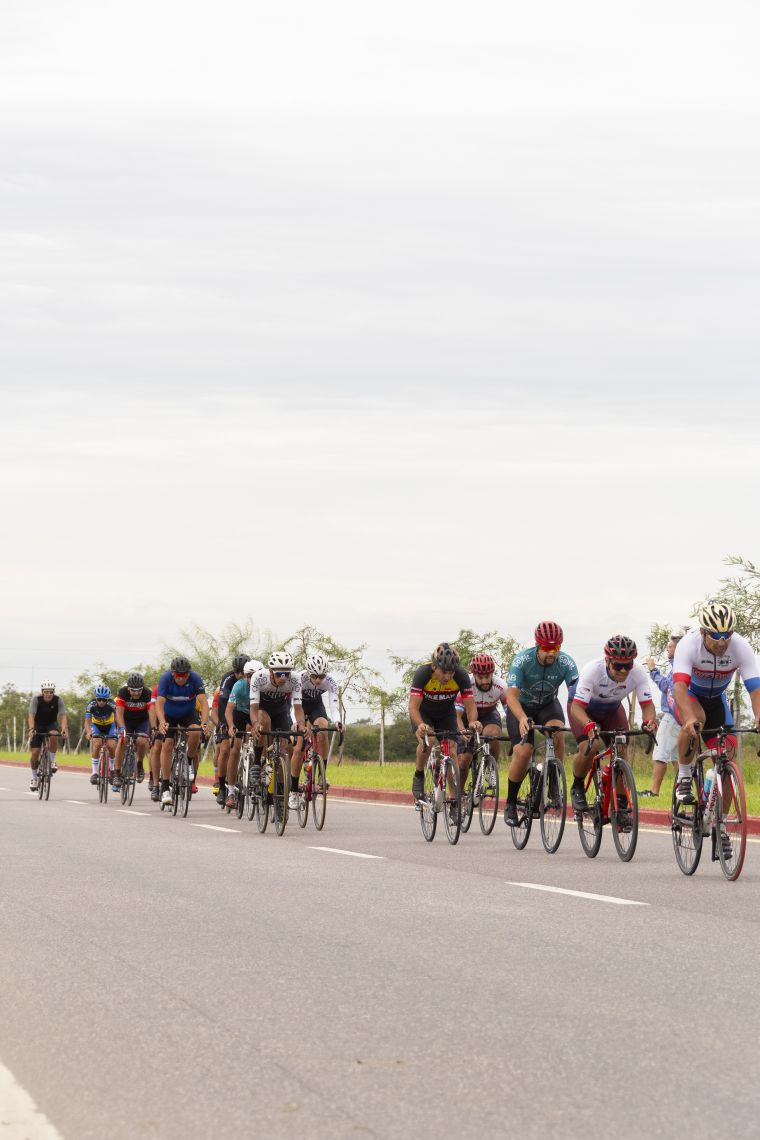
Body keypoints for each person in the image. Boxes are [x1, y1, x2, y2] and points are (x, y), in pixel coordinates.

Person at [672, 602, 760, 804]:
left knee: (727, 762)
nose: (722, 642)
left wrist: (758, 715)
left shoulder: (740, 646)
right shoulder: (688, 644)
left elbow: (755, 688)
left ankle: (720, 827)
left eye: (727, 635)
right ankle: (684, 776)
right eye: (716, 636)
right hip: (688, 695)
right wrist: (688, 719)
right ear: (703, 632)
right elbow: (680, 687)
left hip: (716, 700)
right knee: (697, 719)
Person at [568, 635, 658, 814]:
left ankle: (620, 800)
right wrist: (587, 724)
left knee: (621, 747)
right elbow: (577, 707)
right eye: (618, 665)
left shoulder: (638, 672)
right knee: (590, 746)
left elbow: (647, 706)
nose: (623, 671)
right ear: (607, 660)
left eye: (628, 665)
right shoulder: (593, 670)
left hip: (611, 709)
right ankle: (577, 786)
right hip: (583, 709)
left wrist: (649, 722)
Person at [503, 621, 578, 827]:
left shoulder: (566, 663)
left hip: (547, 705)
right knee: (524, 751)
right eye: (546, 648)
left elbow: (578, 694)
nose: (551, 653)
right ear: (537, 645)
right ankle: (510, 803)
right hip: (521, 707)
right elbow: (511, 696)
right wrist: (521, 718)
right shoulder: (523, 661)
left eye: (556, 648)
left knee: (558, 733)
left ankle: (554, 782)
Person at [408, 643, 481, 802]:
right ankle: (419, 774)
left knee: (451, 750)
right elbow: (413, 707)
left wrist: (473, 721)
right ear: (434, 666)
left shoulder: (460, 676)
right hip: (423, 713)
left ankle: (454, 798)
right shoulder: (422, 674)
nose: (448, 677)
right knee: (429, 740)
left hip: (446, 713)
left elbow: (470, 705)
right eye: (444, 672)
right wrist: (420, 724)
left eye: (451, 672)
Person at [249, 651, 307, 810]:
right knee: (262, 722)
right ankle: (256, 764)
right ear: (270, 671)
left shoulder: (295, 679)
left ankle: (280, 792)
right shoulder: (259, 677)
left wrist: (301, 724)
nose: (283, 678)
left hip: (281, 710)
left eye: (286, 674)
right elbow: (253, 708)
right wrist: (254, 724)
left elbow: (298, 708)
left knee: (281, 751)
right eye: (279, 674)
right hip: (262, 708)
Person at [155, 656, 209, 807]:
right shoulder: (165, 678)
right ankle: (165, 787)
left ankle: (189, 762)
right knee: (167, 744)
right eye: (178, 675)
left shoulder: (195, 678)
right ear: (173, 674)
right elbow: (159, 704)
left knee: (196, 732)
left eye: (185, 675)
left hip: (187, 713)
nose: (182, 678)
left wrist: (204, 723)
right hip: (169, 714)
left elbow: (204, 703)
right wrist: (162, 722)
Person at [291, 652, 343, 800]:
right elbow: (292, 706)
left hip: (315, 707)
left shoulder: (331, 681)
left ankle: (321, 774)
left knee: (323, 728)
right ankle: (293, 790)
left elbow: (333, 705)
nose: (318, 680)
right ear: (308, 673)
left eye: (321, 676)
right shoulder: (299, 679)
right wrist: (295, 723)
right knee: (299, 745)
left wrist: (338, 721)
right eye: (314, 676)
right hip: (299, 707)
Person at [640, 633, 684, 797]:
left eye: (670, 646)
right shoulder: (680, 666)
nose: (668, 648)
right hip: (679, 716)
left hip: (672, 715)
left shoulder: (678, 668)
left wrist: (653, 670)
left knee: (661, 753)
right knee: (676, 756)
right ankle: (683, 789)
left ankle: (654, 791)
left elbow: (667, 687)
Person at [224, 659, 264, 808]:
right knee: (235, 749)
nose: (252, 679)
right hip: (240, 714)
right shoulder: (239, 686)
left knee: (262, 736)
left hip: (257, 714)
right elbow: (229, 710)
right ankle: (231, 791)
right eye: (249, 676)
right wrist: (231, 726)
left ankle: (260, 772)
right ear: (245, 676)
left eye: (256, 675)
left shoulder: (264, 686)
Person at [214, 654, 250, 800]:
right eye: (237, 671)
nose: (240, 675)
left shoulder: (253, 677)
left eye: (243, 671)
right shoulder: (228, 679)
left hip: (247, 712)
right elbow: (224, 704)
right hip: (230, 711)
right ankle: (222, 787)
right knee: (225, 749)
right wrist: (224, 724)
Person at [113, 672, 155, 791]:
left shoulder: (147, 693)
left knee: (142, 741)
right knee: (123, 740)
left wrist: (153, 728)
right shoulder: (122, 692)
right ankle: (117, 773)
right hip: (126, 721)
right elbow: (119, 714)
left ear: (143, 688)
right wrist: (122, 729)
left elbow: (152, 713)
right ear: (128, 688)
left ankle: (140, 763)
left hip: (142, 721)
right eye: (133, 691)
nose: (136, 693)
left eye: (139, 690)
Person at [28, 680, 68, 792]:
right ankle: (34, 778)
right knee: (35, 753)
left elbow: (63, 716)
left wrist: (64, 729)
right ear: (42, 692)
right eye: (46, 692)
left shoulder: (58, 700)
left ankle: (52, 761)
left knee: (54, 735)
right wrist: (31, 729)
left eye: (51, 692)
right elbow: (31, 715)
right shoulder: (36, 700)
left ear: (53, 692)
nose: (49, 694)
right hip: (38, 725)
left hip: (51, 724)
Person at [85, 683, 118, 786]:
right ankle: (94, 772)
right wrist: (88, 732)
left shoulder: (113, 705)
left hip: (110, 726)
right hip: (96, 726)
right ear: (96, 698)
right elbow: (87, 721)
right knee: (97, 743)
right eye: (99, 699)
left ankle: (112, 769)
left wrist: (120, 729)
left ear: (108, 699)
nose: (102, 702)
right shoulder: (91, 705)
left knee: (112, 746)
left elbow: (118, 718)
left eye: (104, 700)